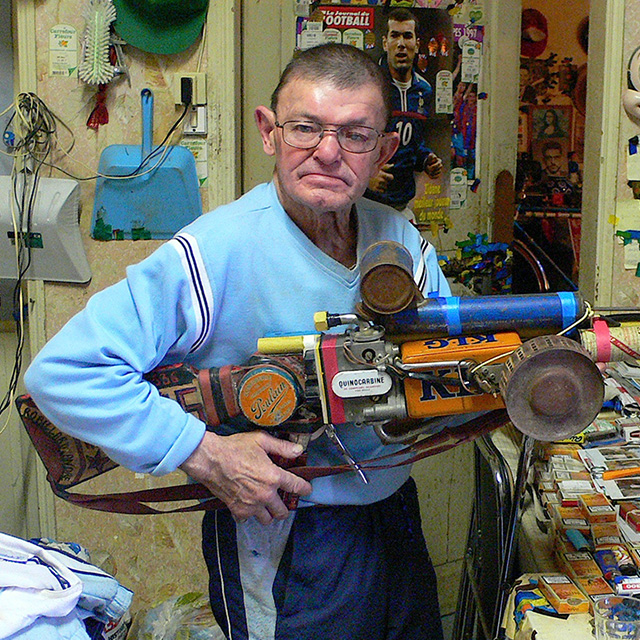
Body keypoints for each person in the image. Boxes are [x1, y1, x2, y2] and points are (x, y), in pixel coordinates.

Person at [25, 44, 452, 640]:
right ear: (269, 131)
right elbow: (63, 372)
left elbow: (442, 372)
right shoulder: (213, 251)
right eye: (306, 128)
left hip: (394, 516)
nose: (328, 152)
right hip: (287, 534)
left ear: (383, 151)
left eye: (355, 135)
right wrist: (205, 454)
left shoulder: (404, 243)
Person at [365, 8, 443, 221]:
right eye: (395, 35)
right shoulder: (369, 86)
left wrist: (426, 160)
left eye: (407, 36)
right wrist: (366, 176)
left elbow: (414, 144)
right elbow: (348, 140)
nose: (401, 44)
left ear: (417, 44)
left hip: (402, 204)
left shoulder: (424, 90)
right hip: (365, 205)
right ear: (385, 43)